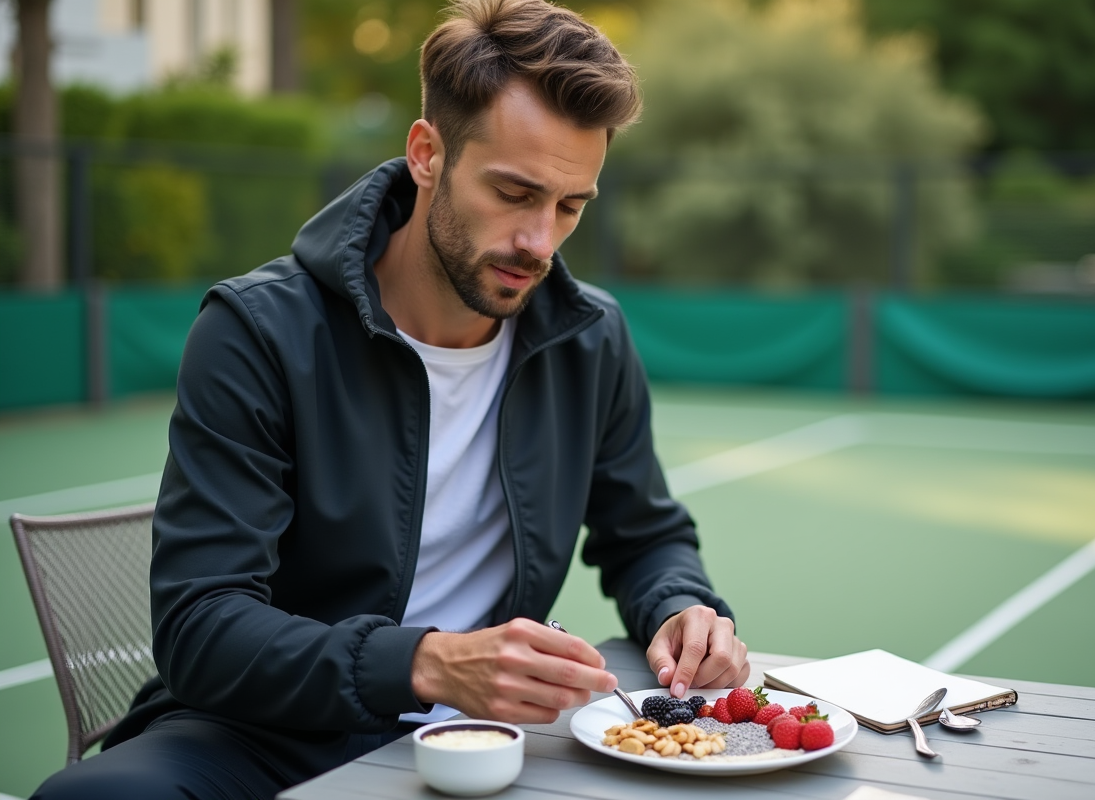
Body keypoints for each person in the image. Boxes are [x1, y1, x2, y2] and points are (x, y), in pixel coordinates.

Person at [34, 1, 748, 797]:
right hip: (265, 735)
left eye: (570, 206)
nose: (540, 241)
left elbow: (645, 535)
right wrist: (425, 662)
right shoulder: (257, 331)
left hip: (486, 741)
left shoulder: (590, 339)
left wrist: (682, 605)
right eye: (513, 192)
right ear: (426, 154)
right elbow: (202, 628)